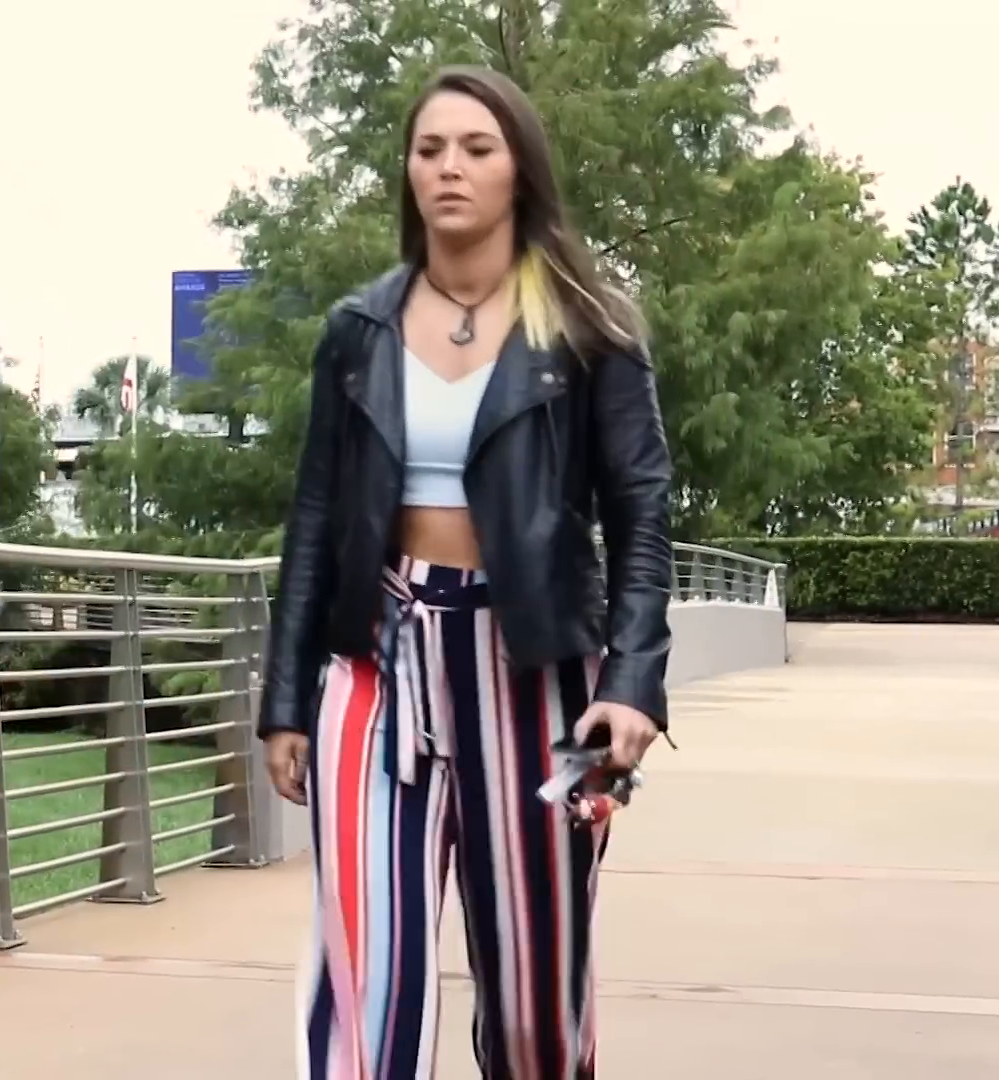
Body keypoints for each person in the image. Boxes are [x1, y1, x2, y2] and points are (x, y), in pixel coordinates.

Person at [258, 65, 673, 1080]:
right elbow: (315, 517)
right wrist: (285, 700)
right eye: (430, 149)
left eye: (477, 149)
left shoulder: (589, 327)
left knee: (537, 1009)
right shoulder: (359, 330)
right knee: (369, 988)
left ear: (518, 171)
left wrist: (632, 683)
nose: (450, 167)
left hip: (540, 676)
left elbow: (642, 513)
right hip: (377, 663)